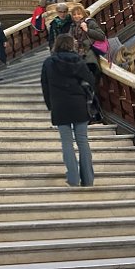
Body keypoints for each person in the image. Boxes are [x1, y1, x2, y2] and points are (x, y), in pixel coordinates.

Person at [41, 34, 95, 187]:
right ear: (72, 45)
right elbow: (91, 80)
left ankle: (73, 179)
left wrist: (50, 105)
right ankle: (88, 179)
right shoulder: (79, 61)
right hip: (79, 103)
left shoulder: (49, 63)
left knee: (66, 142)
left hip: (59, 105)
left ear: (56, 45)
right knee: (82, 140)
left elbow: (45, 86)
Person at [68, 5, 106, 80]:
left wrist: (87, 30)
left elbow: (102, 36)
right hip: (77, 57)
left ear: (83, 14)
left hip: (89, 56)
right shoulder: (72, 26)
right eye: (74, 14)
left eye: (79, 14)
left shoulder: (90, 23)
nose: (76, 16)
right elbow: (69, 39)